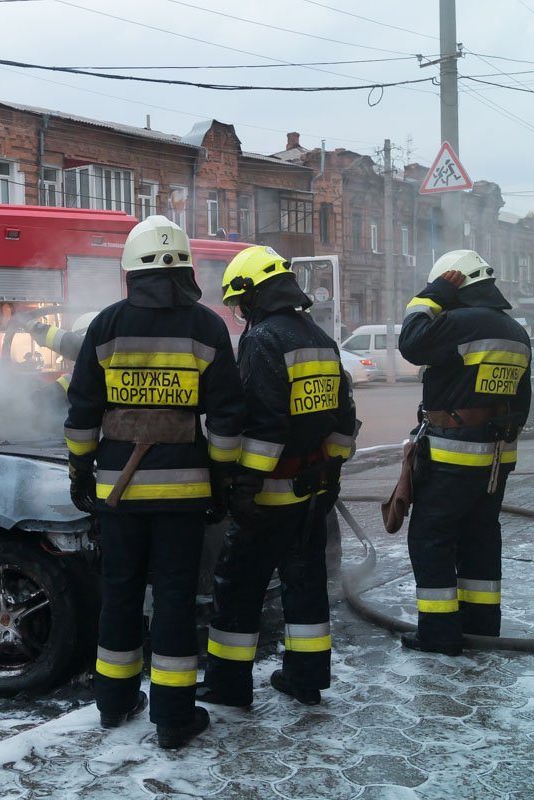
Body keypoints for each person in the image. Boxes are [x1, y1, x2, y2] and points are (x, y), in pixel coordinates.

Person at [64, 215, 243, 749]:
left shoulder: (107, 325)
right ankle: (173, 717)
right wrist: (222, 478)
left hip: (119, 494)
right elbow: (226, 418)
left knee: (119, 594)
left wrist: (80, 470)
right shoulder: (207, 327)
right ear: (186, 267)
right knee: (174, 600)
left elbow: (82, 409)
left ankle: (114, 702)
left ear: (130, 271)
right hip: (183, 497)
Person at [200, 246, 358, 709]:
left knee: (237, 587)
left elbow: (265, 425)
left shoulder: (263, 339)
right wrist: (330, 474)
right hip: (313, 492)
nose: (239, 310)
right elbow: (344, 419)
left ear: (252, 294)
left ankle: (229, 687)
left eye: (239, 301)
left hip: (269, 498)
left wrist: (244, 490)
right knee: (305, 585)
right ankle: (306, 679)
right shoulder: (321, 340)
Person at [398, 250, 532, 656]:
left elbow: (411, 344)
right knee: (481, 539)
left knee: (431, 539)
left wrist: (432, 294)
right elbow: (522, 402)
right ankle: (481, 626)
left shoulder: (460, 322)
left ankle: (439, 633)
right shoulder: (515, 331)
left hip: (452, 457)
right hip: (496, 460)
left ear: (456, 284)